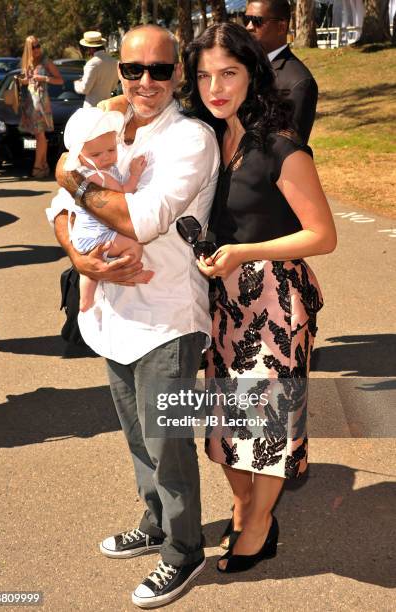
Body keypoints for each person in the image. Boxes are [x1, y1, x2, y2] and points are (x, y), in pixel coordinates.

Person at [49, 24, 219, 608]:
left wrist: (71, 175)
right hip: (113, 316)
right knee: (137, 438)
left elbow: (142, 218)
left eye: (161, 69)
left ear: (179, 73)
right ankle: (155, 524)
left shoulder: (191, 138)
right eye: (133, 69)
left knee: (167, 442)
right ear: (118, 70)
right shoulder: (110, 128)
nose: (146, 81)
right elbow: (59, 210)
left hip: (169, 314)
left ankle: (183, 550)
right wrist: (77, 256)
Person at [181, 22, 336, 573]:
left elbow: (323, 235)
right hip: (221, 304)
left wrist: (245, 254)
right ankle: (247, 504)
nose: (215, 87)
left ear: (254, 73)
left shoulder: (280, 143)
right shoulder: (206, 138)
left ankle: (260, 524)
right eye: (203, 76)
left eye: (228, 73)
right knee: (226, 420)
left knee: (266, 422)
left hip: (274, 300)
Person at [48, 106, 152, 312]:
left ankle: (85, 300)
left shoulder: (92, 170)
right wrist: (135, 174)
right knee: (133, 244)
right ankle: (129, 272)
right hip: (98, 235)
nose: (106, 157)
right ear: (80, 155)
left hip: (85, 235)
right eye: (96, 154)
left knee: (89, 271)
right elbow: (123, 195)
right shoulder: (98, 176)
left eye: (111, 150)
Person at [245, 0, 318, 144]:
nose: (248, 27)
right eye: (246, 19)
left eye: (256, 21)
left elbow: (287, 147)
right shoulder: (243, 68)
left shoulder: (299, 82)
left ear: (281, 27)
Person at [18, 35, 63, 178]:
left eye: (38, 46)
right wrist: (23, 81)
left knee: (40, 135)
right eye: (33, 47)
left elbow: (59, 80)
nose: (37, 49)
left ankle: (38, 166)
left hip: (41, 102)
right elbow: (26, 82)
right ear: (28, 49)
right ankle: (43, 166)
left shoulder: (46, 62)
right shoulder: (27, 63)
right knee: (39, 135)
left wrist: (44, 78)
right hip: (30, 102)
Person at [74, 31, 119, 108]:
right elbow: (114, 87)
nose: (87, 50)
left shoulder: (92, 63)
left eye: (87, 48)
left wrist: (76, 83)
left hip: (92, 108)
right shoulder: (114, 62)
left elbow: (85, 89)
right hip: (107, 107)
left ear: (91, 48)